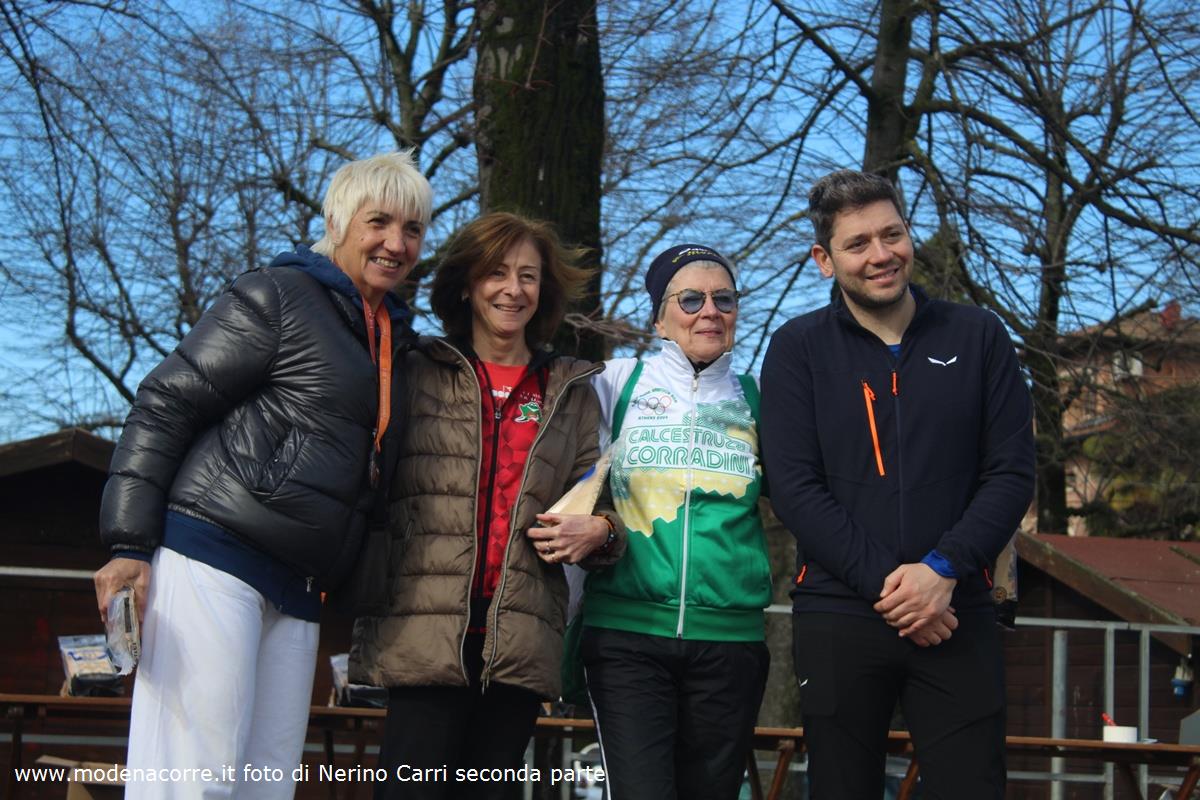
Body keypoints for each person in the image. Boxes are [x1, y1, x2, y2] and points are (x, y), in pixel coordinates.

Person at [93, 151, 432, 799]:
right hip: (217, 554)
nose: (396, 243)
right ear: (338, 222)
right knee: (193, 778)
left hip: (300, 585)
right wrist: (129, 543)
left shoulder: (395, 339)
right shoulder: (279, 294)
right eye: (379, 222)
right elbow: (167, 402)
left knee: (265, 783)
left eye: (412, 229)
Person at [759, 169, 1035, 799]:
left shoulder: (978, 335)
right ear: (825, 260)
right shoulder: (798, 348)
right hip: (840, 611)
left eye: (892, 234)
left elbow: (1011, 471)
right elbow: (794, 487)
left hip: (956, 609)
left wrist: (942, 570)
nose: (881, 254)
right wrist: (897, 589)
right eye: (858, 243)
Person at [349, 211, 625, 800]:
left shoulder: (571, 389)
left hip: (519, 642)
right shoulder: (414, 368)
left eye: (528, 275)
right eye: (496, 272)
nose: (512, 289)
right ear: (467, 284)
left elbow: (603, 503)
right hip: (422, 633)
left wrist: (601, 531)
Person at [579, 244, 772, 800]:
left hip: (730, 640)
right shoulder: (616, 383)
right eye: (690, 299)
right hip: (627, 635)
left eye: (724, 299)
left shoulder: (758, 398)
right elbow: (565, 479)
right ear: (659, 319)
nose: (709, 310)